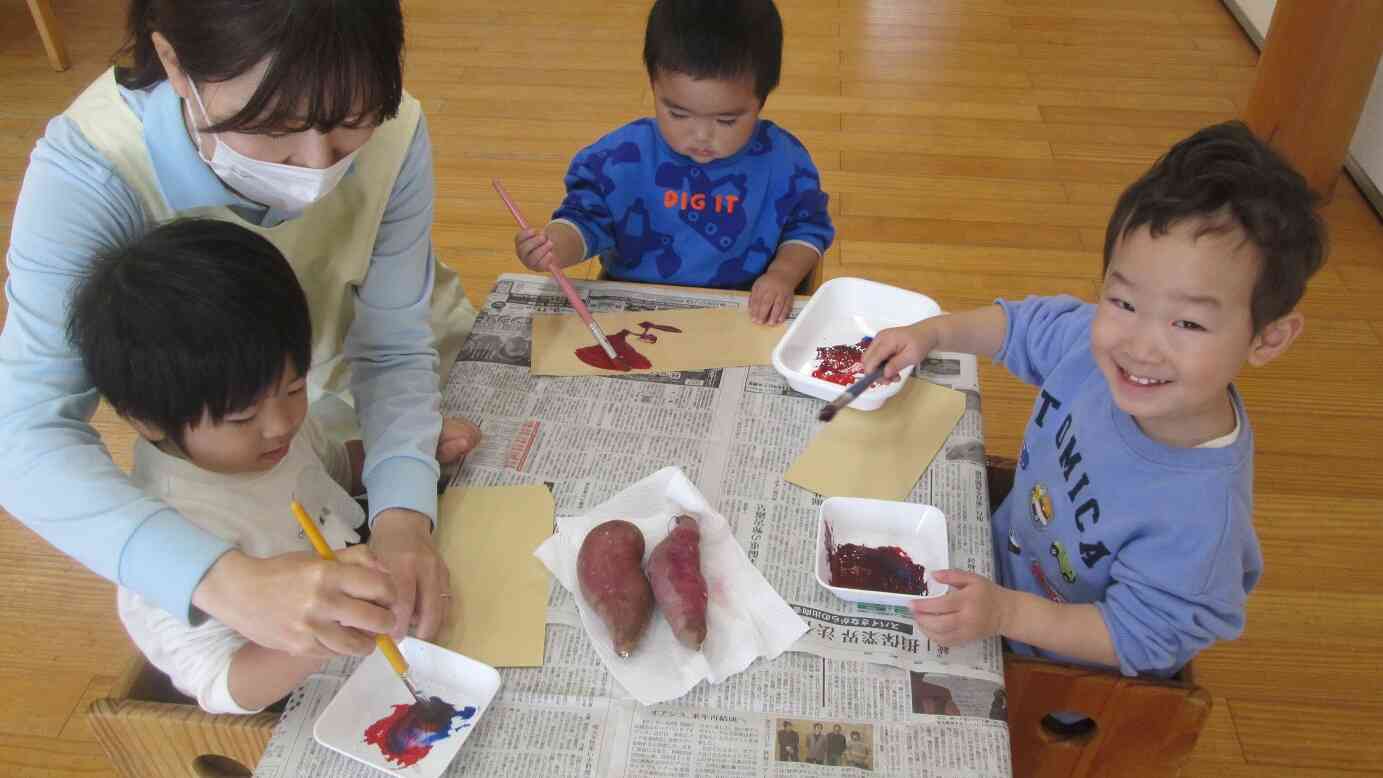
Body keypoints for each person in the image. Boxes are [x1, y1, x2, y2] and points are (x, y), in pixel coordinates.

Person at [0, 0, 480, 663]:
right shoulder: (93, 174)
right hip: (249, 433)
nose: (314, 166)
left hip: (367, 401)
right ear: (172, 61)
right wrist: (221, 579)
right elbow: (24, 432)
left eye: (347, 128)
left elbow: (395, 345)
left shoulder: (397, 132)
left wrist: (402, 512)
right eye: (273, 126)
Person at [862, 121, 1326, 678]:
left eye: (1188, 322)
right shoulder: (1092, 346)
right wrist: (932, 333)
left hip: (1061, 670)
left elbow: (1140, 637)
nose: (1139, 345)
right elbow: (1020, 327)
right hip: (997, 569)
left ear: (1267, 336)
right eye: (1124, 302)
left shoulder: (1201, 519)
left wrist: (1006, 612)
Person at [68, 219, 447, 712]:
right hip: (306, 700)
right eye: (243, 416)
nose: (281, 424)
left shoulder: (274, 435)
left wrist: (402, 458)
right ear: (147, 420)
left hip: (381, 623)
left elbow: (332, 472)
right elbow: (219, 684)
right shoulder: (161, 534)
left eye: (294, 388)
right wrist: (325, 632)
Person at [511, 0, 834, 326]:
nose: (701, 135)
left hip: (741, 310)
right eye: (677, 114)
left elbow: (808, 229)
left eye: (726, 121)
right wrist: (553, 247)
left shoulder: (785, 162)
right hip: (630, 306)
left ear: (762, 99)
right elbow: (584, 220)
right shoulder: (620, 159)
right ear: (654, 85)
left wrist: (782, 275)